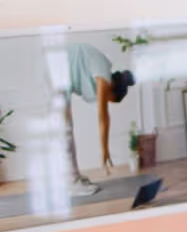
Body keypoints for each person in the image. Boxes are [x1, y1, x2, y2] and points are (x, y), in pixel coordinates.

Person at [54, 42, 135, 195]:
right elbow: (103, 116)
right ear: (112, 89)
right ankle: (72, 184)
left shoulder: (101, 70)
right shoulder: (104, 78)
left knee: (66, 130)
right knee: (65, 132)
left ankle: (73, 177)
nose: (105, 100)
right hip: (55, 71)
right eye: (109, 99)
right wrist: (105, 151)